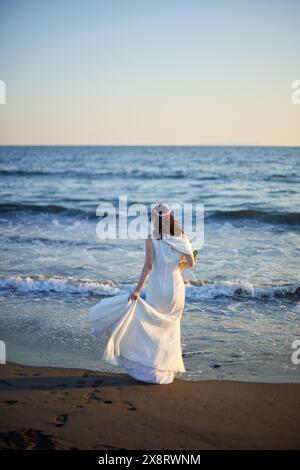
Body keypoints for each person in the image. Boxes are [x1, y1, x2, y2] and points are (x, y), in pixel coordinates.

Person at [90, 204, 195, 384]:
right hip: (176, 287)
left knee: (152, 326)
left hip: (157, 288)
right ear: (170, 218)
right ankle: (166, 372)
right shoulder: (182, 238)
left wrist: (138, 290)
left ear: (155, 220)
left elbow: (148, 266)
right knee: (171, 327)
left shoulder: (151, 238)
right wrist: (179, 266)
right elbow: (191, 263)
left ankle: (150, 370)